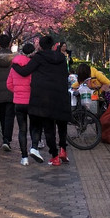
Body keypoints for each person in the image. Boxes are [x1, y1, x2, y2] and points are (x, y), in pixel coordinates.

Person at [11, 35, 72, 166]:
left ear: (40, 46)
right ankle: (63, 150)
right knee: (62, 125)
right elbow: (66, 74)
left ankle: (55, 156)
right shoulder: (62, 57)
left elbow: (25, 71)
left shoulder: (39, 58)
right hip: (61, 95)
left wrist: (14, 65)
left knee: (49, 128)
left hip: (45, 98)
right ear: (53, 45)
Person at [7, 42, 36, 165]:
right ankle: (34, 148)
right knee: (34, 128)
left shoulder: (14, 66)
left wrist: (17, 92)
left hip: (18, 102)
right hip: (31, 102)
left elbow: (9, 84)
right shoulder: (33, 66)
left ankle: (24, 158)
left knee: (22, 130)